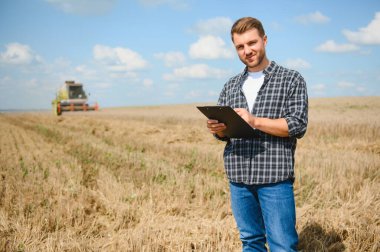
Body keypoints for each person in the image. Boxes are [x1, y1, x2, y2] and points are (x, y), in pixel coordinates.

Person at [206, 17, 308, 251]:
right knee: (251, 243)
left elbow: (297, 125)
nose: (247, 51)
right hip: (239, 179)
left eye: (252, 43)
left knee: (282, 246)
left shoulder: (291, 79)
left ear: (264, 39)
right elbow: (226, 135)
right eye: (240, 46)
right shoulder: (231, 85)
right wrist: (219, 131)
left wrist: (255, 121)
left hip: (274, 179)